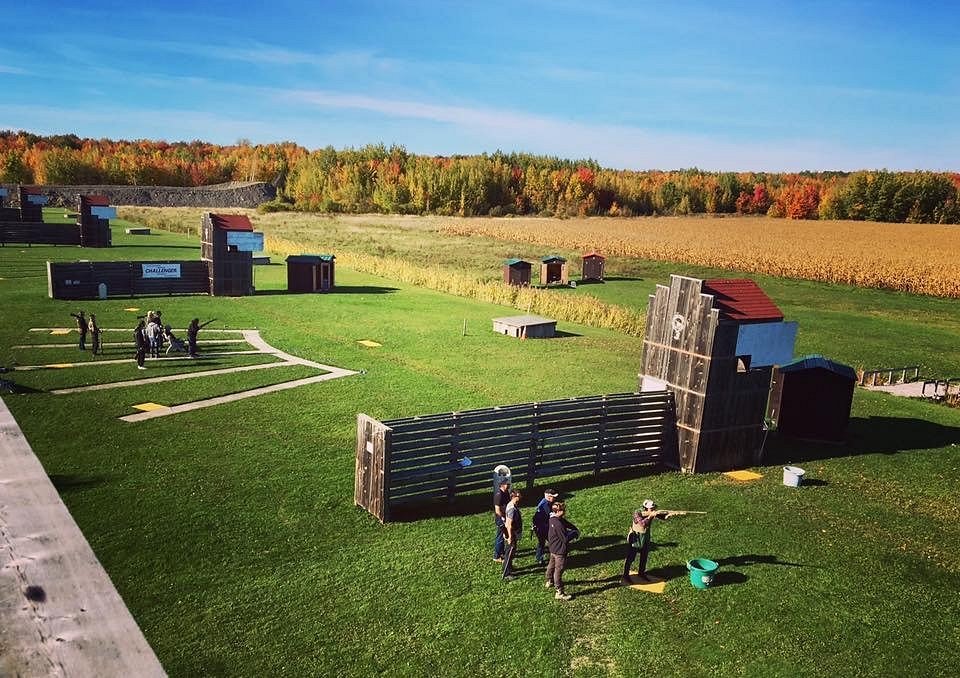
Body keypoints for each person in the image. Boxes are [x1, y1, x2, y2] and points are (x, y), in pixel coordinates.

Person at [622, 499, 670, 584]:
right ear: (645, 508)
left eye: (653, 508)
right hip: (635, 538)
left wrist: (668, 515)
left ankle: (641, 573)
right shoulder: (637, 513)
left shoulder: (651, 512)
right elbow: (643, 524)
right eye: (651, 509)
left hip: (645, 538)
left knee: (644, 557)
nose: (653, 510)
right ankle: (625, 576)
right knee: (631, 558)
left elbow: (660, 516)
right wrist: (651, 516)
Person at [546, 501, 578, 601]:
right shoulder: (558, 524)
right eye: (563, 510)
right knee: (558, 570)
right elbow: (564, 538)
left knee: (551, 565)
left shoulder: (552, 518)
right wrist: (574, 533)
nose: (564, 512)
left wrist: (573, 527)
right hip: (560, 550)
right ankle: (559, 592)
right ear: (559, 511)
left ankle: (549, 580)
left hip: (553, 548)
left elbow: (564, 522)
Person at [532, 489, 559, 565]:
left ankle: (540, 557)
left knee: (542, 542)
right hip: (541, 527)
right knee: (546, 542)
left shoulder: (546, 503)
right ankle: (542, 558)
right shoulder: (545, 505)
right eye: (553, 497)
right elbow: (550, 516)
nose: (554, 498)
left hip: (542, 526)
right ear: (548, 496)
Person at [502, 490, 523, 581]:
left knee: (511, 552)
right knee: (509, 553)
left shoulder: (511, 505)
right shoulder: (512, 509)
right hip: (512, 533)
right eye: (518, 496)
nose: (520, 497)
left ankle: (509, 567)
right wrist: (510, 537)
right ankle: (506, 573)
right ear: (513, 497)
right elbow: (509, 524)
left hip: (512, 533)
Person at [492, 478, 511, 563]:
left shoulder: (506, 492)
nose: (509, 485)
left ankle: (501, 551)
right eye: (507, 484)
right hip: (501, 519)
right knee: (500, 537)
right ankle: (497, 556)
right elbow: (497, 510)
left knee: (503, 535)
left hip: (505, 516)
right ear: (502, 485)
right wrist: (503, 518)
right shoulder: (498, 495)